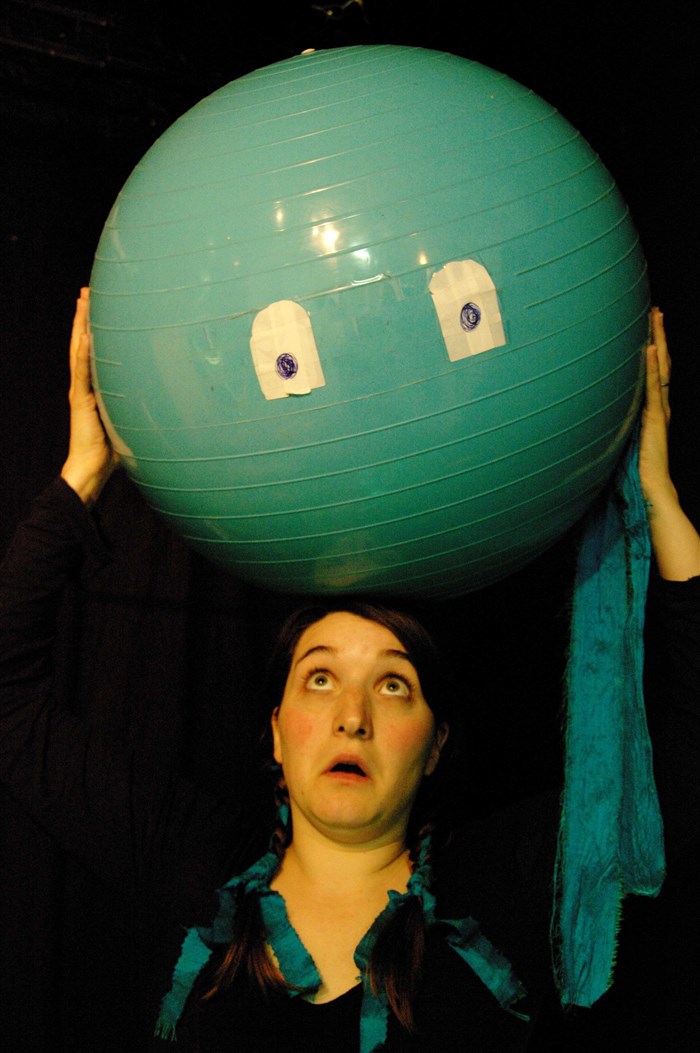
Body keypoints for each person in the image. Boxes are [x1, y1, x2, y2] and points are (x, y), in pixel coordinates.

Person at [0, 293, 698, 1052]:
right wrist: (83, 474)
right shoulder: (187, 860)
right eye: (320, 678)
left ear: (436, 744)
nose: (352, 717)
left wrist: (658, 505)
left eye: (394, 685)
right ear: (275, 730)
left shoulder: (512, 880)